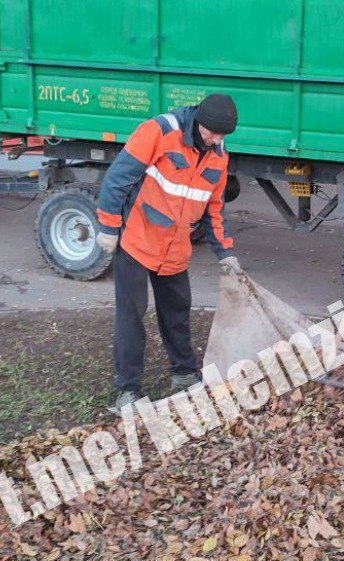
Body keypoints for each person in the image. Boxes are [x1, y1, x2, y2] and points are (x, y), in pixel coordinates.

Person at [95, 94, 242, 410]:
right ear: (199, 120)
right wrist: (108, 226)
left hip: (175, 246)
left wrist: (225, 252)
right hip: (137, 238)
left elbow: (214, 207)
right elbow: (118, 177)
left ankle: (185, 375)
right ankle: (128, 391)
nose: (217, 140)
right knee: (132, 315)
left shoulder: (218, 154)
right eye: (212, 132)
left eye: (223, 135)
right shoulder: (160, 131)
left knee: (178, 311)